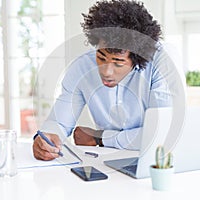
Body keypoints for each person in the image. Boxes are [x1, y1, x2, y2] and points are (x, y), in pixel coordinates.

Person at [33, 0, 177, 161]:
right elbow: (58, 122)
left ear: (137, 58)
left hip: (157, 161)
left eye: (118, 62)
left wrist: (99, 138)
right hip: (106, 162)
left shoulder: (162, 61)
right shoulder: (81, 68)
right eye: (101, 57)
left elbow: (161, 131)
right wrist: (46, 139)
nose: (106, 72)